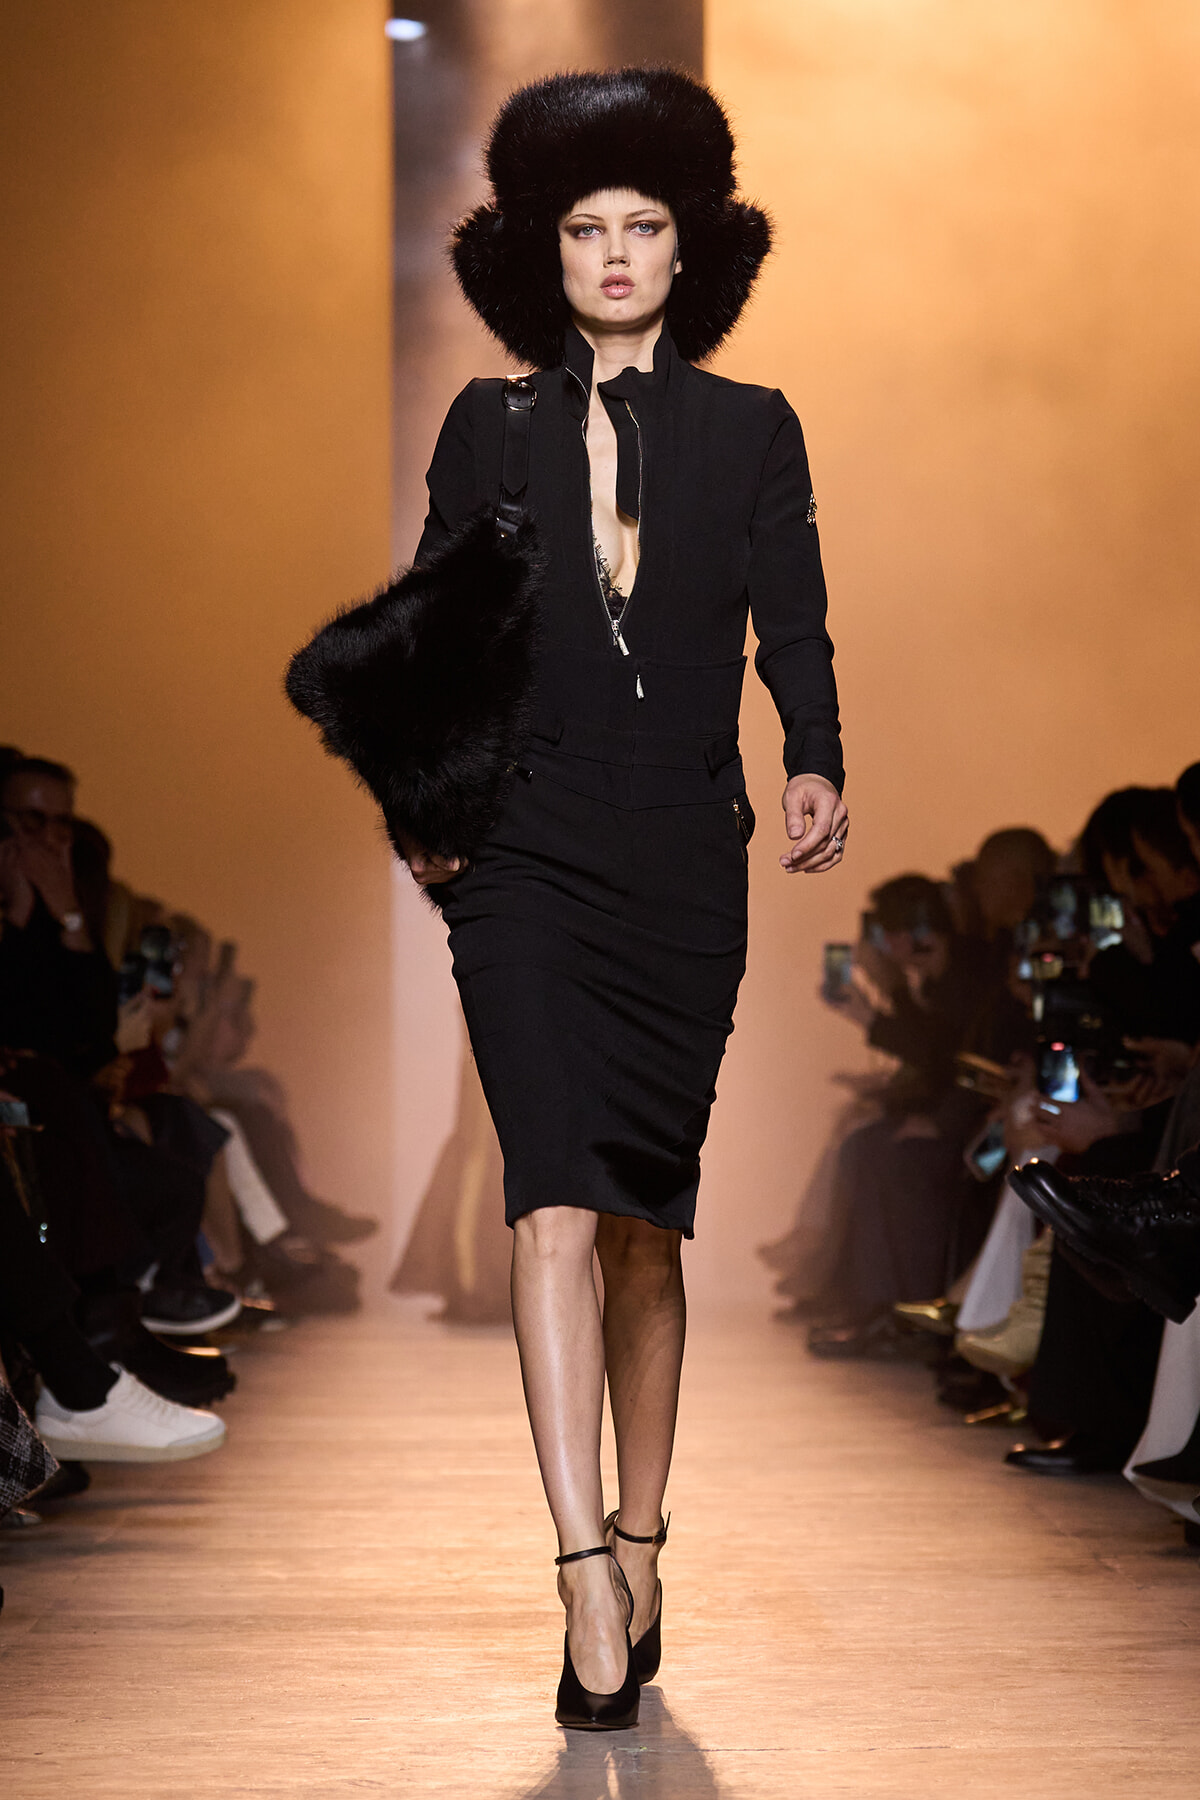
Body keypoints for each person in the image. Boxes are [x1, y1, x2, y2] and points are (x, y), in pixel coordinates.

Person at [391, 69, 847, 1728]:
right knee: (551, 1196)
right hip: (519, 850)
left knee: (649, 1218)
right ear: (542, 249)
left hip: (679, 850)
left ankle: (645, 1537)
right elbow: (440, 633)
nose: (614, 252)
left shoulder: (753, 427)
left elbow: (789, 611)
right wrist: (426, 807)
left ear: (691, 245)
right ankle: (580, 1565)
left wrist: (814, 752)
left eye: (643, 225)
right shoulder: (487, 425)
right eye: (584, 227)